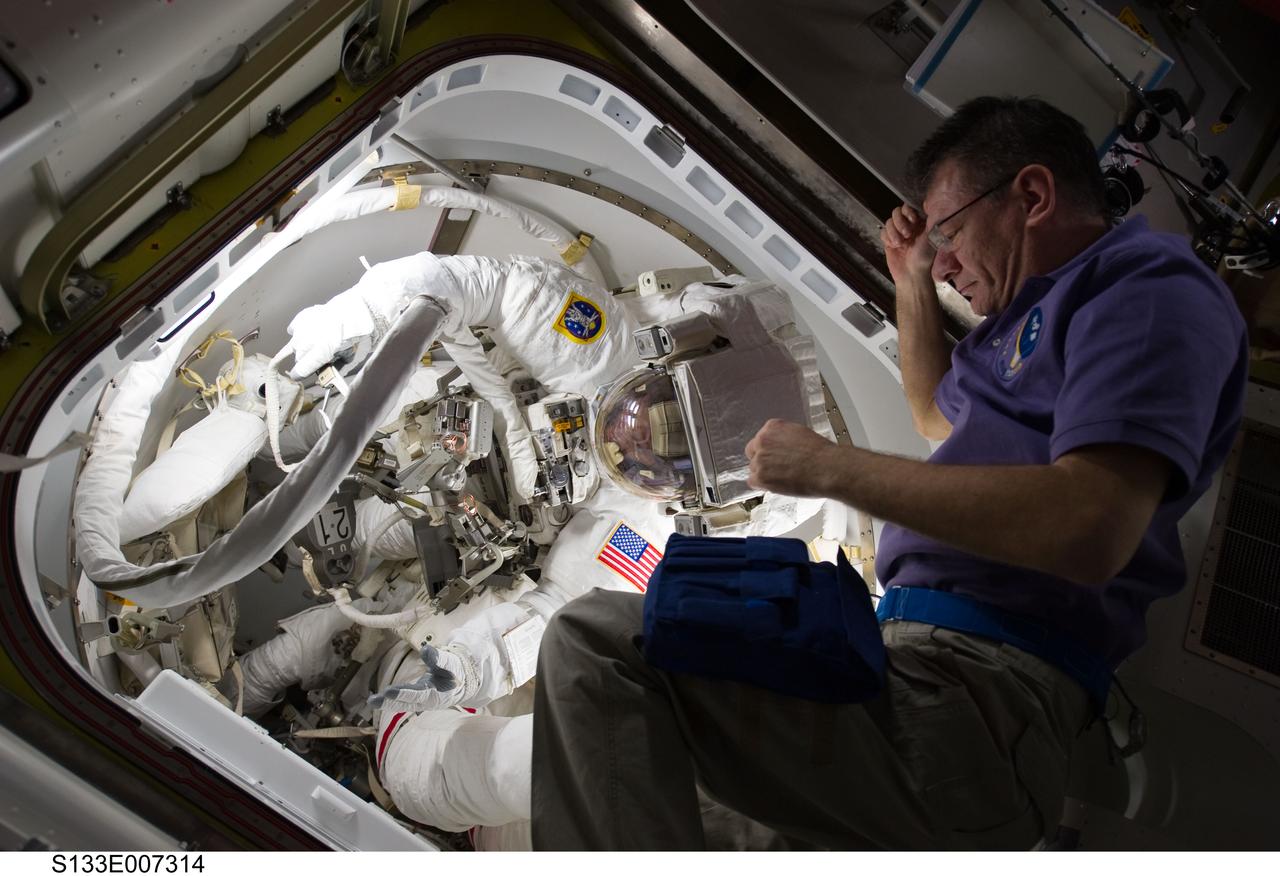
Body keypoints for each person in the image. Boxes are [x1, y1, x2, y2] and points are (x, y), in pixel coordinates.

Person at [528, 96, 1250, 850]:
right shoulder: (1012, 328)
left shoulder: (1143, 288)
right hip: (912, 669)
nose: (947, 264)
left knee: (598, 648)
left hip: (975, 696)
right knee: (686, 810)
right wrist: (909, 281)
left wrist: (831, 467)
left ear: (1031, 197)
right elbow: (937, 412)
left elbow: (1091, 527)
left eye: (952, 234)